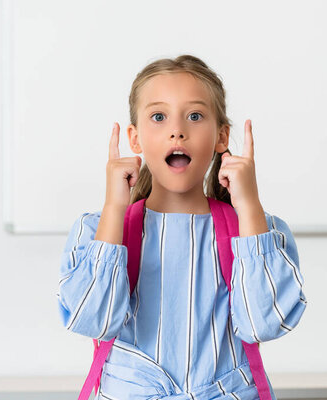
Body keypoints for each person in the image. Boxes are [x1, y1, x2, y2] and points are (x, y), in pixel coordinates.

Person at [56, 54, 307, 400]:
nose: (178, 130)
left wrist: (249, 206)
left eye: (195, 116)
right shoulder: (99, 230)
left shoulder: (255, 232)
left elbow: (262, 324)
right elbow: (93, 322)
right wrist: (115, 207)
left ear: (222, 137)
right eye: (159, 117)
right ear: (136, 139)